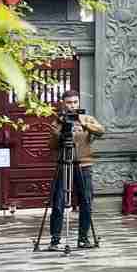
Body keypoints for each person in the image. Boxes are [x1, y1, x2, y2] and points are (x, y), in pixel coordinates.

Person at [49, 92, 104, 249]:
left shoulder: (86, 118)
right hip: (64, 163)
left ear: (78, 102)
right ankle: (55, 239)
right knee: (58, 202)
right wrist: (59, 129)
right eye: (68, 102)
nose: (72, 105)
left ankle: (83, 238)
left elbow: (101, 131)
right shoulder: (58, 120)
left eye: (75, 102)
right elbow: (51, 146)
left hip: (83, 164)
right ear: (63, 103)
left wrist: (83, 123)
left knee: (86, 201)